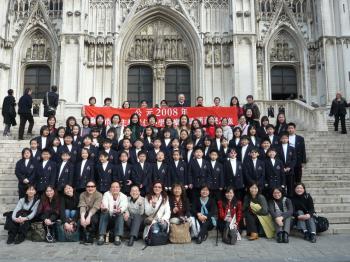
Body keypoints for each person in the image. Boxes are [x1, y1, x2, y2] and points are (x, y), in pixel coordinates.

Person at [97, 181, 128, 246]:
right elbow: (105, 204)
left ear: (119, 188)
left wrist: (120, 210)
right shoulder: (106, 194)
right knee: (104, 212)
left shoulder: (124, 196)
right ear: (110, 188)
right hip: (108, 217)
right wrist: (104, 209)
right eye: (113, 187)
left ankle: (117, 237)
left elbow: (124, 205)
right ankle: (101, 236)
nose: (115, 188)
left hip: (117, 217)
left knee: (120, 214)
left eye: (117, 187)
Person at [277, 132, 296, 197]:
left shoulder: (292, 148)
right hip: (280, 170)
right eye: (283, 138)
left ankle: (290, 200)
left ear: (288, 139)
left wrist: (289, 167)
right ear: (280, 139)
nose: (284, 139)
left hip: (290, 171)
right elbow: (277, 159)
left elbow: (294, 159)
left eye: (286, 138)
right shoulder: (277, 148)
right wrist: (282, 168)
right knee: (282, 186)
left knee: (290, 186)